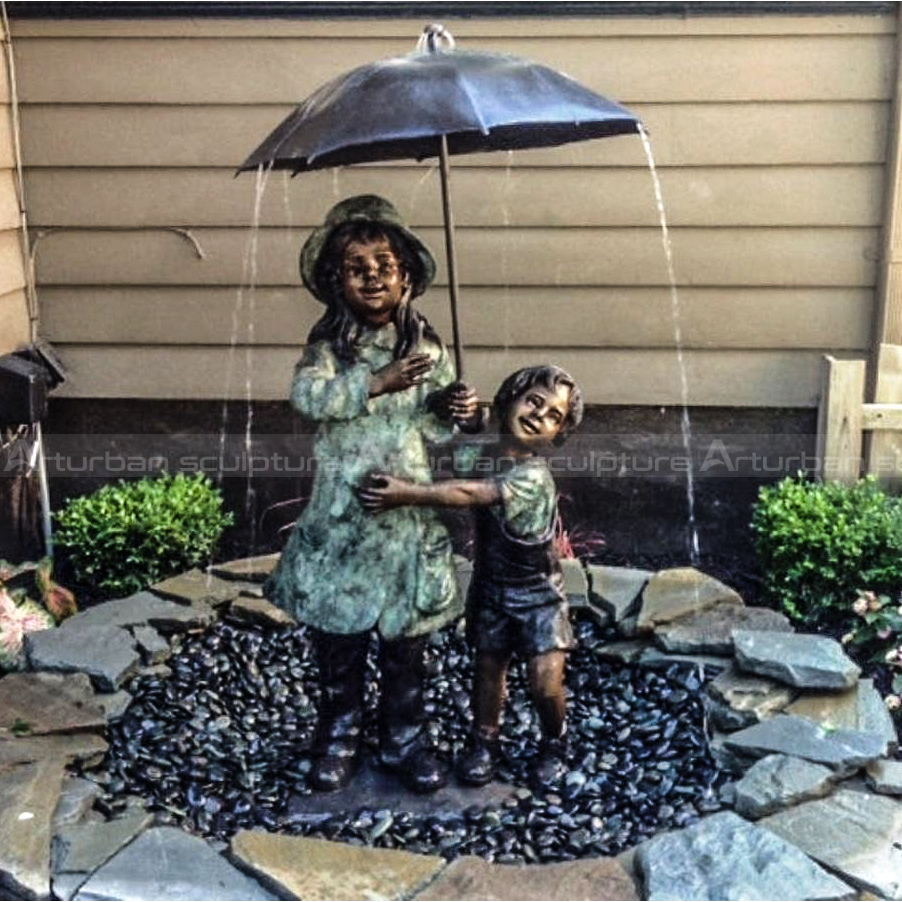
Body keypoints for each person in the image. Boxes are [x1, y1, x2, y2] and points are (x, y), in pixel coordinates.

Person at [265, 194, 481, 794]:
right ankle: (339, 734)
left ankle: (404, 737)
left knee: (407, 639)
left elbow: (436, 427)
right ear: (337, 282)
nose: (373, 277)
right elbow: (309, 398)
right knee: (340, 634)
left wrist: (457, 407)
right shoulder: (330, 351)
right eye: (357, 267)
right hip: (346, 516)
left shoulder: (426, 349)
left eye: (384, 264)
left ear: (406, 276)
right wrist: (376, 381)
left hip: (406, 516)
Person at [359, 364, 584, 787]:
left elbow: (468, 492)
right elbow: (452, 450)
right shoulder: (480, 454)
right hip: (492, 586)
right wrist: (464, 413)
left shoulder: (534, 476)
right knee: (488, 668)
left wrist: (404, 494)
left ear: (556, 435)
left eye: (553, 415)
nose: (538, 415)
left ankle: (555, 740)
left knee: (544, 681)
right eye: (532, 401)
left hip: (538, 595)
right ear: (508, 401)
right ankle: (485, 741)